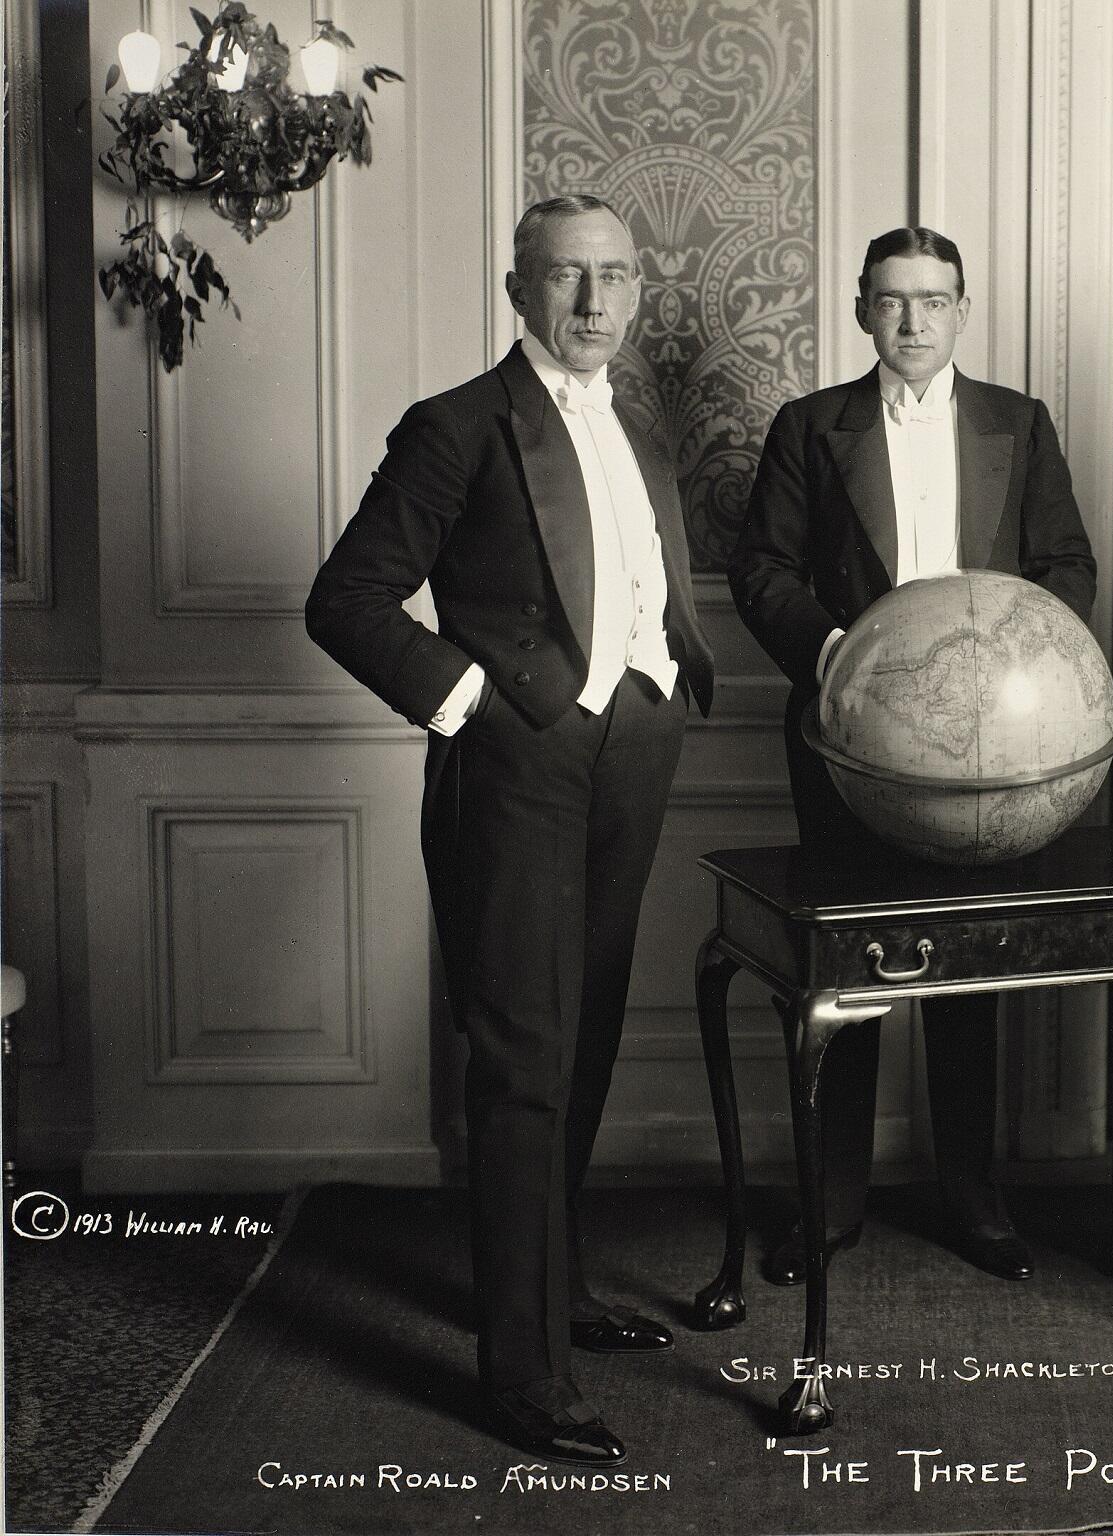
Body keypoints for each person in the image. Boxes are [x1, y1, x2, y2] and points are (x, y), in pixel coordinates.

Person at [306, 195, 715, 1465]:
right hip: (521, 763)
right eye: (564, 278)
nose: (593, 302)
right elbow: (347, 598)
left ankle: (555, 1295)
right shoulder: (456, 425)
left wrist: (664, 682)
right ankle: (520, 1375)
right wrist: (475, 702)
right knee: (523, 1057)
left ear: (637, 293)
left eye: (613, 278)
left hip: (633, 747)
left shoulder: (639, 429)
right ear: (516, 290)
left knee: (582, 1032)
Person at [729, 226, 1095, 1285]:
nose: (913, 320)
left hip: (995, 753)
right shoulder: (811, 426)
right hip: (853, 743)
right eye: (892, 300)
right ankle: (832, 1201)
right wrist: (841, 653)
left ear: (962, 309)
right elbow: (763, 571)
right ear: (861, 310)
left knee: (971, 974)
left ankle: (972, 1198)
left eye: (933, 300)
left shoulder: (1017, 425)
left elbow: (1067, 564)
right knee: (847, 970)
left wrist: (1016, 653)